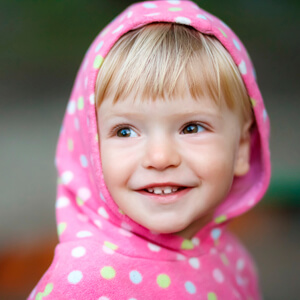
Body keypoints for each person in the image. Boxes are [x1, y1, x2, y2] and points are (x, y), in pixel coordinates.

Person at [29, 1, 271, 299]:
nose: (160, 158)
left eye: (192, 127)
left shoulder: (231, 258)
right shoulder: (82, 284)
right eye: (125, 131)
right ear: (91, 148)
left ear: (243, 148)